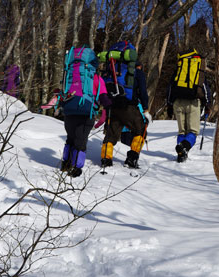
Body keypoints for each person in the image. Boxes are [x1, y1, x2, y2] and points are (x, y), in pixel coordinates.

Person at [60, 47, 112, 178]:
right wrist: (109, 107)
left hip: (69, 111)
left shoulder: (69, 75)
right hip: (86, 113)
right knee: (81, 140)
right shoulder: (94, 78)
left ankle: (65, 164)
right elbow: (103, 96)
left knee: (70, 138)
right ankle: (76, 168)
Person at [100, 46, 152, 169]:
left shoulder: (111, 71)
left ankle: (105, 159)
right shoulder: (136, 72)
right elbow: (143, 93)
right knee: (141, 129)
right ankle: (132, 158)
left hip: (112, 107)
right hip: (129, 107)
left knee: (111, 134)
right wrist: (145, 109)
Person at [166, 48, 211, 163]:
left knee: (182, 131)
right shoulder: (198, 71)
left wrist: (169, 105)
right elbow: (205, 88)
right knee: (193, 131)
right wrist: (208, 104)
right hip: (193, 102)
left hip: (178, 102)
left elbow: (170, 88)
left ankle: (181, 153)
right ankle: (184, 147)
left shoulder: (179, 70)